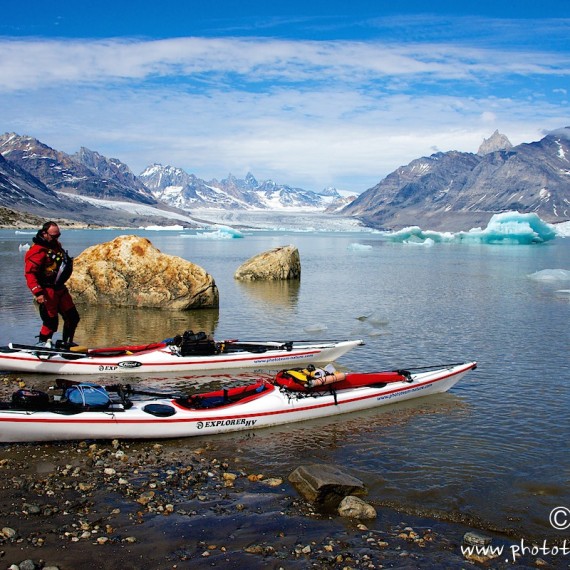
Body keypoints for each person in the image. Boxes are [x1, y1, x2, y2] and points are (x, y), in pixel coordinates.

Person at [24, 221, 80, 347]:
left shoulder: (55, 245)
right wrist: (37, 292)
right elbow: (30, 274)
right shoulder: (37, 251)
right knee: (50, 322)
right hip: (47, 291)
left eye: (58, 235)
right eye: (54, 236)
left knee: (73, 317)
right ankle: (43, 344)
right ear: (44, 234)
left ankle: (67, 343)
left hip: (60, 289)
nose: (56, 238)